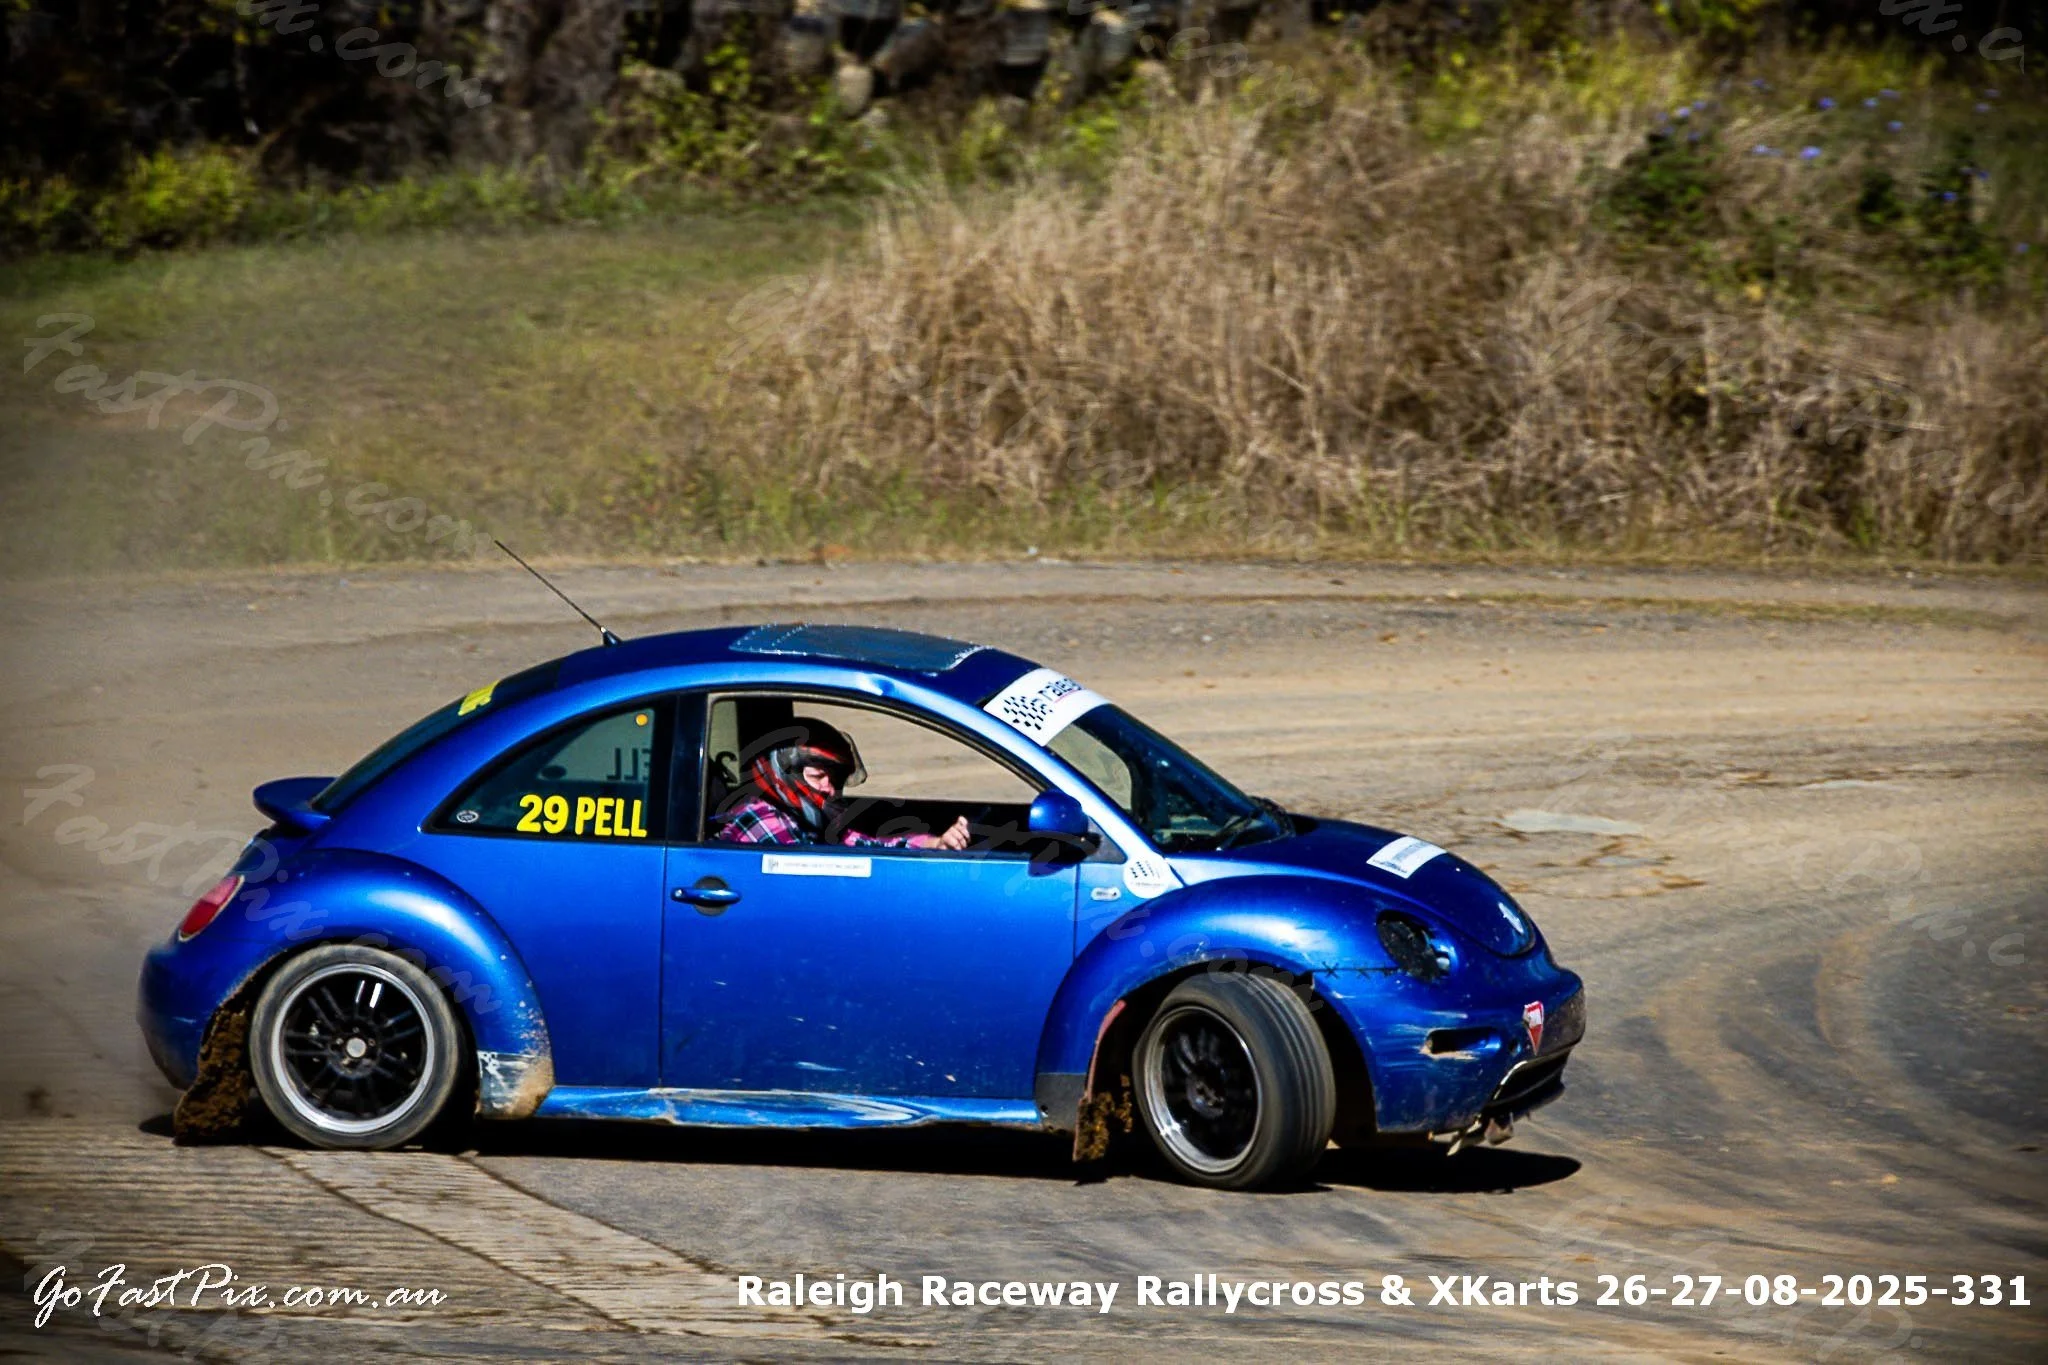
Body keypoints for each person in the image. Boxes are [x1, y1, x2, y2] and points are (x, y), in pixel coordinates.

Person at [713, 720, 972, 850]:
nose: (829, 788)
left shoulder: (805, 824)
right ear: (783, 774)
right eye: (818, 776)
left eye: (835, 780)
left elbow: (870, 847)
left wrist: (936, 844)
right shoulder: (761, 823)